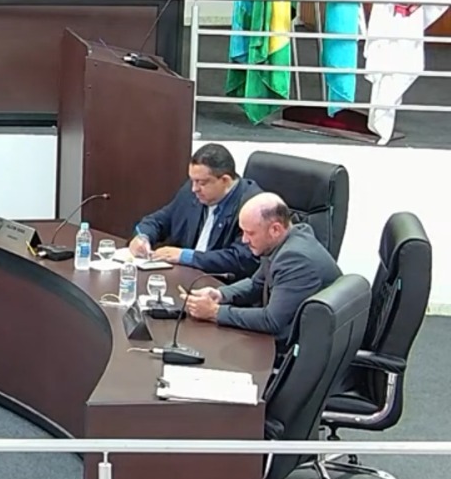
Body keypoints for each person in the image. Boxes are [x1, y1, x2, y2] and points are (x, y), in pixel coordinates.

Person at [183, 192, 342, 348]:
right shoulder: (285, 240)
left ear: (275, 230)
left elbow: (271, 321)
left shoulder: (295, 259)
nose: (244, 240)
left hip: (294, 348)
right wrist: (220, 294)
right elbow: (257, 283)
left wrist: (215, 312)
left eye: (250, 233)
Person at [128, 144, 262, 280]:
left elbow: (242, 259)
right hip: (184, 278)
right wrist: (143, 237)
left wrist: (186, 256)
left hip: (220, 285)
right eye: (192, 180)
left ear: (225, 181)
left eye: (201, 183)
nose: (194, 189)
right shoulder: (194, 192)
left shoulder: (252, 206)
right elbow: (159, 220)